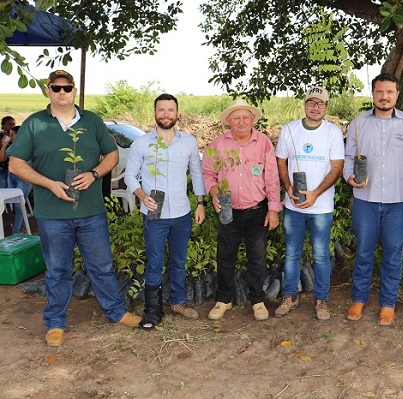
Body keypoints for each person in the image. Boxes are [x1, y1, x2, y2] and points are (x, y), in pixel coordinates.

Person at [8, 69, 141, 346]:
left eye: (67, 88)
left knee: (102, 266)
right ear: (48, 90)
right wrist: (48, 183)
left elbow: (113, 154)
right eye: (56, 88)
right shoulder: (34, 124)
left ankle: (116, 312)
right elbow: (15, 164)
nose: (61, 93)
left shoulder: (91, 121)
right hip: (52, 214)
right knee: (57, 269)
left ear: (74, 91)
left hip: (91, 211)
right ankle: (55, 322)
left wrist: (94, 173)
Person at [343, 73, 403, 326]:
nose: (384, 96)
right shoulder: (358, 123)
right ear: (373, 94)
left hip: (398, 202)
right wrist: (350, 178)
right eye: (380, 91)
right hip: (365, 200)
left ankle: (388, 303)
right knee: (364, 251)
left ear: (397, 95)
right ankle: (358, 298)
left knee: (393, 253)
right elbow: (348, 159)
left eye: (389, 92)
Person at [125, 93, 206, 329]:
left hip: (181, 213)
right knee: (154, 261)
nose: (166, 115)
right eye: (161, 110)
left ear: (178, 114)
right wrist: (142, 195)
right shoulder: (142, 143)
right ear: (154, 113)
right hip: (154, 214)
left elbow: (197, 173)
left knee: (179, 260)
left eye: (171, 110)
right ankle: (153, 309)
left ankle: (178, 302)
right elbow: (130, 175)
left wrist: (200, 202)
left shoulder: (189, 142)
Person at [202, 98, 282, 321]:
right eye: (236, 117)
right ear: (228, 120)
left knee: (257, 258)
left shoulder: (263, 143)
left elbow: (272, 178)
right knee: (225, 255)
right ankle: (223, 300)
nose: (241, 121)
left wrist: (273, 209)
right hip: (228, 211)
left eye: (245, 117)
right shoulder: (217, 144)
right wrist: (214, 192)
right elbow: (208, 173)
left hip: (257, 210)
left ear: (252, 119)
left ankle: (257, 300)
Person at [274, 86, 344, 322]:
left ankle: (321, 298)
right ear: (305, 105)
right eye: (311, 103)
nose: (316, 107)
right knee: (292, 253)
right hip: (293, 206)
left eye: (321, 103)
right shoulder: (290, 130)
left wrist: (315, 193)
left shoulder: (332, 132)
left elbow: (337, 168)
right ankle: (290, 296)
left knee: (321, 254)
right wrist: (288, 187)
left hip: (320, 207)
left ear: (326, 107)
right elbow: (281, 161)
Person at [4, 126, 34, 234]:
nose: (10, 136)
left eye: (12, 134)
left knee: (19, 203)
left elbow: (34, 163)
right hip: (11, 176)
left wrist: (20, 165)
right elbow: (3, 158)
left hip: (23, 178)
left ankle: (16, 231)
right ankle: (23, 228)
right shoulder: (13, 146)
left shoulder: (29, 146)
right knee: (15, 203)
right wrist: (4, 145)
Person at [0, 116, 16, 188]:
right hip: (2, 167)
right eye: (9, 124)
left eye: (13, 124)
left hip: (12, 168)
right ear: (3, 125)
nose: (12, 126)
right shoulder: (1, 136)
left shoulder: (16, 137)